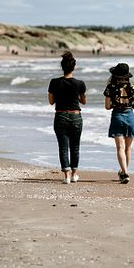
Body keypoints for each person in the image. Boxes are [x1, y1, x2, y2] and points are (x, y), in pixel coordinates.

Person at [47, 51, 87, 184]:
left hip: (60, 115)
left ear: (62, 67)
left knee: (63, 147)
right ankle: (75, 174)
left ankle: (67, 177)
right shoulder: (80, 83)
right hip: (76, 116)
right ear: (73, 67)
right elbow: (83, 101)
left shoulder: (54, 82)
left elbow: (51, 101)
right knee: (75, 147)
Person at [104, 63, 134, 184]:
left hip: (117, 116)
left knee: (120, 147)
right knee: (128, 148)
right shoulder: (133, 86)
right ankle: (124, 172)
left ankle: (124, 173)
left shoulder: (110, 87)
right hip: (130, 116)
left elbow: (107, 107)